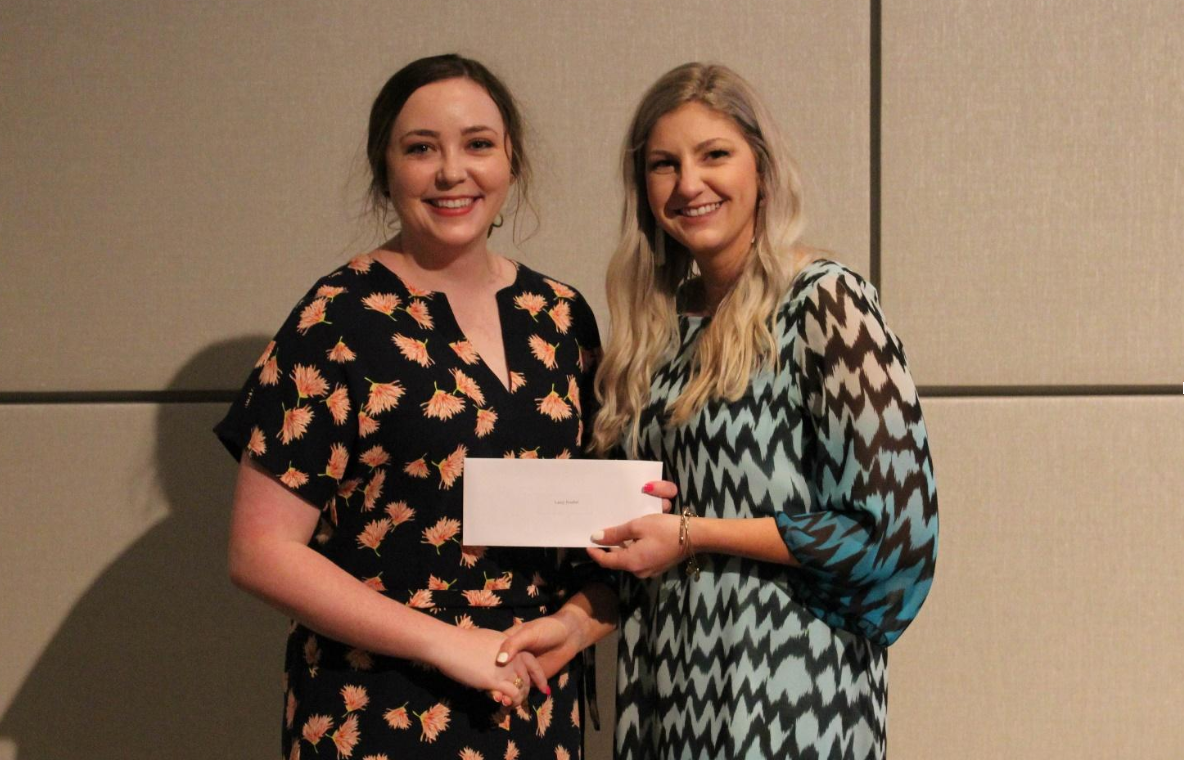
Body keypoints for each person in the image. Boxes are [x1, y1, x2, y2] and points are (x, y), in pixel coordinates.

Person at [501, 62, 939, 759]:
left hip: (791, 688)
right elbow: (636, 540)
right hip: (666, 688)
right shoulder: (653, 331)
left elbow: (890, 535)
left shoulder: (826, 303)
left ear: (761, 170)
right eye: (664, 165)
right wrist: (579, 623)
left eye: (715, 155)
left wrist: (694, 533)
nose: (690, 185)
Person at [215, 54, 613, 760]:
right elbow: (260, 551)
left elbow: (594, 523)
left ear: (511, 163)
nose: (452, 172)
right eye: (421, 148)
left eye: (478, 145)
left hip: (534, 704)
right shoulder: (337, 319)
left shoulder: (560, 315)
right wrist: (447, 644)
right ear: (385, 168)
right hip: (376, 710)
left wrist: (582, 621)